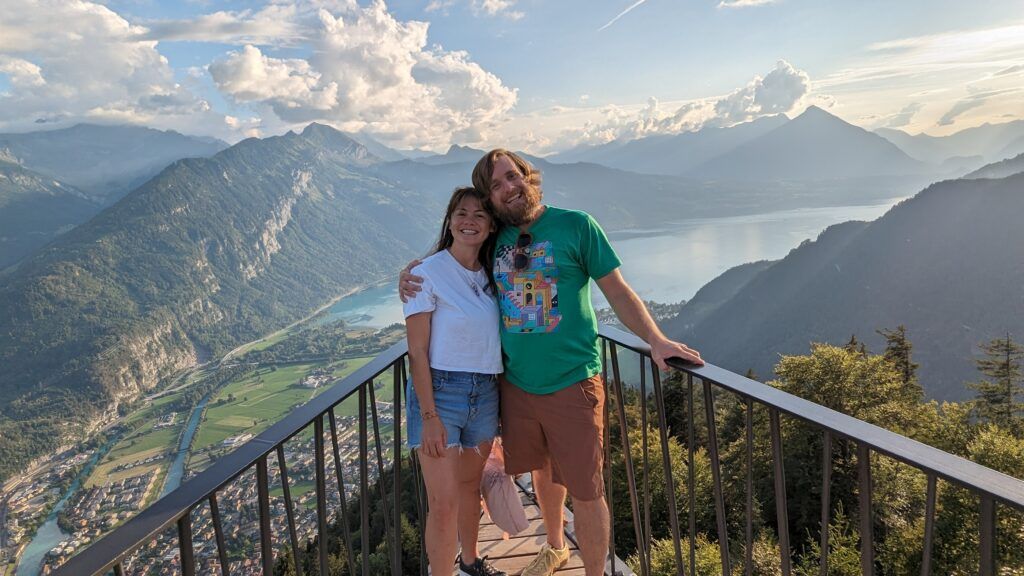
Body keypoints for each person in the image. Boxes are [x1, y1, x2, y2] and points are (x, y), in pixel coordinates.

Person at [401, 150, 704, 576]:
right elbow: (455, 264)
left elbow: (616, 290)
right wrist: (412, 275)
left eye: (512, 177)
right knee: (541, 470)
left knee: (587, 489)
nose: (508, 188)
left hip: (571, 382)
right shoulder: (496, 240)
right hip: (516, 387)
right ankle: (556, 546)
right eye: (496, 186)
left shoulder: (576, 226)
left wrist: (655, 339)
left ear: (529, 177)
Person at [403, 186, 507, 576]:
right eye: (461, 213)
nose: (469, 221)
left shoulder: (493, 275)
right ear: (449, 220)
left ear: (491, 225)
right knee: (443, 504)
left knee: (469, 490)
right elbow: (417, 351)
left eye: (479, 215)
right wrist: (429, 415)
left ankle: (469, 563)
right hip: (441, 394)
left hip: (485, 393)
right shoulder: (424, 274)